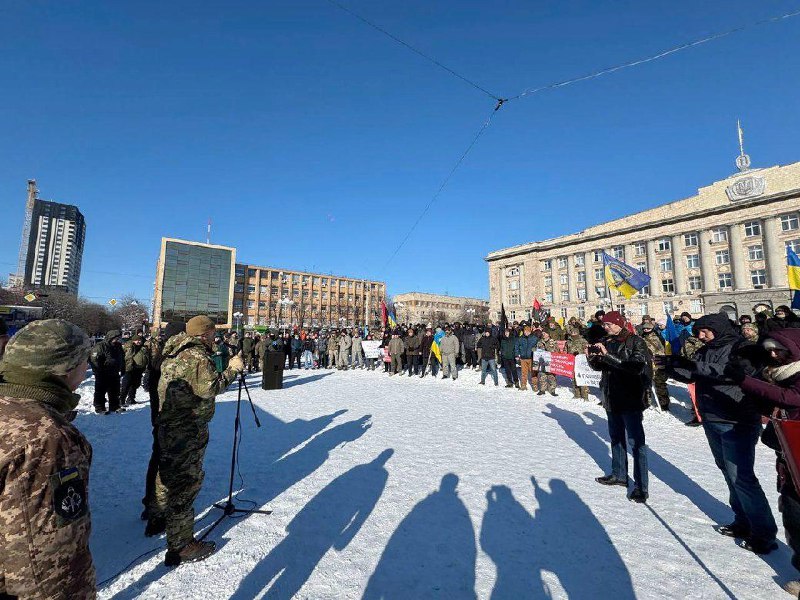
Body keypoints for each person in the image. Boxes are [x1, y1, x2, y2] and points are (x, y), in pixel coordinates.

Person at [663, 312, 778, 553]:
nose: (700, 335)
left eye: (705, 330)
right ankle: (742, 521)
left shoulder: (743, 347)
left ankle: (764, 533)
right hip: (712, 416)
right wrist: (671, 367)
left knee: (742, 477)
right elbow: (695, 373)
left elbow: (730, 372)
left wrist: (692, 365)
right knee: (727, 472)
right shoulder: (706, 349)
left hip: (737, 419)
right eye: (698, 331)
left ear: (718, 328)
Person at [0, 319, 96, 599]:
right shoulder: (47, 439)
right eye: (83, 360)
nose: (87, 367)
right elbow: (49, 564)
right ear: (66, 369)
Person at [151, 316, 244, 566]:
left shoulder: (174, 350)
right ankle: (181, 545)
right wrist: (233, 369)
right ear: (204, 334)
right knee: (185, 483)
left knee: (166, 475)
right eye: (213, 333)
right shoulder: (197, 357)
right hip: (186, 429)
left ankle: (159, 516)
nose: (216, 337)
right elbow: (211, 388)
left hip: (169, 425)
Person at [732, 329, 800, 594]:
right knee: (794, 519)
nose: (773, 354)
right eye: (769, 349)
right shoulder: (774, 375)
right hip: (789, 459)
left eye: (779, 349)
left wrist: (745, 382)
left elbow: (791, 399)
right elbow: (769, 403)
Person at [588, 311, 650, 503]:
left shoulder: (635, 341)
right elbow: (601, 367)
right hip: (611, 399)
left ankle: (641, 486)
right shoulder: (607, 341)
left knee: (636, 443)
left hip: (630, 399)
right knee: (616, 439)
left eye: (608, 324)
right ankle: (619, 474)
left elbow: (635, 367)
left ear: (619, 324)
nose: (605, 328)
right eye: (604, 325)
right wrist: (593, 358)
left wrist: (608, 356)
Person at [89, 329, 125, 414]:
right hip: (102, 372)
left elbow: (121, 357)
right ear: (110, 337)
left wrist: (123, 368)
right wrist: (98, 370)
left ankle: (114, 406)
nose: (117, 339)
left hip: (114, 372)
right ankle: (99, 407)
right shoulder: (100, 346)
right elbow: (94, 359)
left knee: (115, 390)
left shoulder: (118, 346)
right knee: (100, 391)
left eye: (118, 338)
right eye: (116, 338)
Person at [640, 318, 670, 411]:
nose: (646, 330)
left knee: (660, 383)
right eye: (644, 329)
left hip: (658, 363)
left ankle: (664, 403)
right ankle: (646, 401)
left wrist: (654, 356)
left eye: (648, 329)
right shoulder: (641, 338)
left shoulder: (657, 337)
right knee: (646, 383)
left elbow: (661, 350)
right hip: (646, 363)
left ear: (651, 329)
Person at [121, 333, 148, 406]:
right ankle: (121, 400)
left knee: (135, 385)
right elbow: (123, 356)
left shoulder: (143, 348)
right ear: (133, 340)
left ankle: (131, 399)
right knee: (126, 385)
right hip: (129, 368)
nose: (138, 341)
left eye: (139, 340)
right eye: (136, 340)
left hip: (139, 369)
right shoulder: (129, 347)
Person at [565, 325, 589, 400]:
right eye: (572, 332)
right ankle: (577, 394)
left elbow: (587, 351)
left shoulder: (583, 341)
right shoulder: (568, 341)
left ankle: (585, 395)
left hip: (581, 362)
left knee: (582, 378)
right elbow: (566, 351)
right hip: (572, 362)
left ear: (578, 332)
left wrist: (581, 354)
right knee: (574, 378)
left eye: (575, 332)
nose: (574, 333)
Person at [515, 324, 539, 392]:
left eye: (528, 331)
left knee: (533, 372)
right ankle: (523, 385)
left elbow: (538, 346)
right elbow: (517, 347)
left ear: (530, 331)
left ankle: (535, 385)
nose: (526, 332)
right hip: (523, 358)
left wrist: (535, 349)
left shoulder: (534, 338)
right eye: (525, 331)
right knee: (524, 372)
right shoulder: (520, 338)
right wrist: (517, 355)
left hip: (532, 358)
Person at [536, 331, 558, 397]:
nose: (543, 334)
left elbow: (557, 350)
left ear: (548, 334)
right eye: (542, 333)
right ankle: (542, 390)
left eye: (545, 333)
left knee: (551, 376)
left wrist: (548, 350)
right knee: (542, 375)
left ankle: (552, 390)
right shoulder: (540, 342)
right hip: (542, 361)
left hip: (551, 361)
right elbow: (537, 350)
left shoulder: (553, 342)